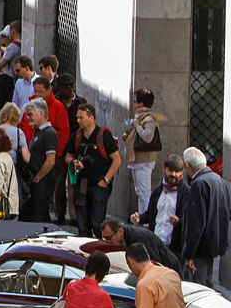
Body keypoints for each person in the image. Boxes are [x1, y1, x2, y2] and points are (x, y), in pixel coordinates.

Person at [64, 103, 121, 238]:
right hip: (81, 184)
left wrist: (106, 180)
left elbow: (117, 160)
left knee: (97, 223)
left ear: (91, 118)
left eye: (81, 118)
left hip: (99, 185)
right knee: (82, 224)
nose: (78, 121)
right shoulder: (76, 136)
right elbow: (68, 156)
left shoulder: (103, 135)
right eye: (77, 118)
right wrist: (74, 162)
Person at [180, 146, 231, 287]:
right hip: (213, 244)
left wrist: (189, 254)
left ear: (189, 166)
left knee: (197, 287)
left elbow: (196, 223)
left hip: (200, 248)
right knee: (207, 284)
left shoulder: (199, 184)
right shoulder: (219, 180)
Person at [133, 154, 189, 256]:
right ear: (164, 169)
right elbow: (150, 214)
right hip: (156, 242)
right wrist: (139, 218)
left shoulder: (186, 193)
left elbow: (191, 220)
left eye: (176, 172)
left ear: (182, 172)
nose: (173, 174)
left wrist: (178, 221)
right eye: (170, 170)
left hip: (175, 247)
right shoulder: (157, 191)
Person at [124, 88, 164, 216]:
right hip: (138, 159)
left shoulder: (148, 118)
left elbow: (147, 137)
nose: (134, 103)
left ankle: (147, 219)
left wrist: (137, 125)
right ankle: (141, 218)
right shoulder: (141, 117)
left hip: (144, 160)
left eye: (135, 101)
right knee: (140, 191)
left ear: (141, 104)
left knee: (145, 192)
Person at [100, 217, 182, 273]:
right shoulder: (129, 237)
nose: (107, 242)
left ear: (120, 232)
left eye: (109, 238)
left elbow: (155, 263)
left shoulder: (139, 238)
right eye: (104, 239)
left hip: (169, 270)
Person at [22, 98, 58, 223]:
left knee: (39, 215)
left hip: (43, 181)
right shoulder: (38, 132)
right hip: (36, 180)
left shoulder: (48, 133)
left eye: (30, 114)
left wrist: (38, 177)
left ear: (41, 114)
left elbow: (51, 160)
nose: (28, 118)